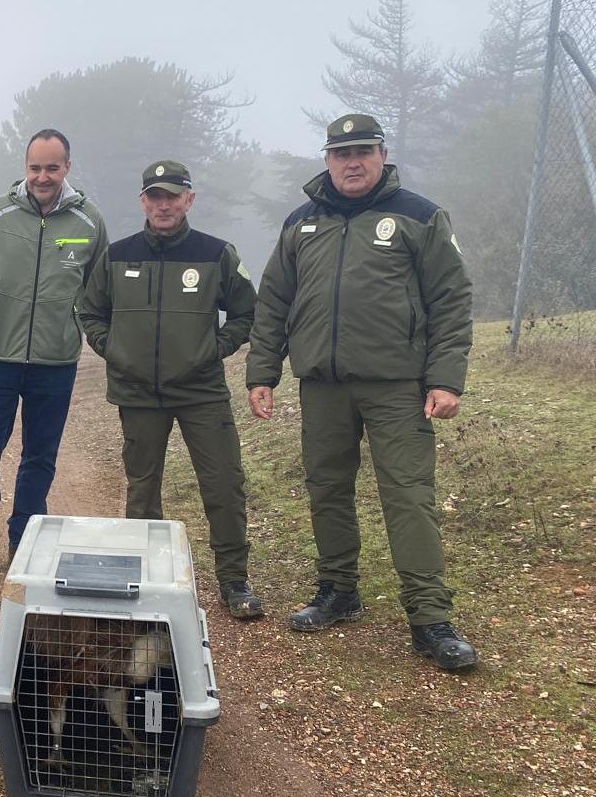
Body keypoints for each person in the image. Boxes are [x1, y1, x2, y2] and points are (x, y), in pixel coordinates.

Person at [247, 113, 476, 670]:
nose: (352, 162)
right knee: (326, 488)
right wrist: (262, 372)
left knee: (408, 495)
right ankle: (338, 590)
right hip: (322, 385)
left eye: (363, 151)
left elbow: (451, 297)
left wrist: (445, 378)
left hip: (398, 386)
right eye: (341, 153)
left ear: (381, 154)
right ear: (327, 160)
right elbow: (274, 300)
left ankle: (430, 618)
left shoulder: (418, 217)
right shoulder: (301, 222)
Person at [78, 161, 262, 618]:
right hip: (137, 393)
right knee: (142, 489)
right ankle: (143, 577)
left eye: (173, 196)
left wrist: (212, 349)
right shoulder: (118, 255)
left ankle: (234, 582)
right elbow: (90, 310)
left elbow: (246, 312)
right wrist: (115, 350)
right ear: (143, 201)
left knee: (223, 483)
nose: (164, 204)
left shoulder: (216, 254)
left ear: (189, 200)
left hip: (202, 391)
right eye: (155, 196)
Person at [0, 129, 108, 577]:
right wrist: (0, 308)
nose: (42, 176)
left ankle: (25, 543)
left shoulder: (89, 221)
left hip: (55, 363)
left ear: (67, 167)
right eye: (35, 167)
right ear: (25, 167)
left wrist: (67, 321)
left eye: (52, 168)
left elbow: (96, 284)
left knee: (39, 457)